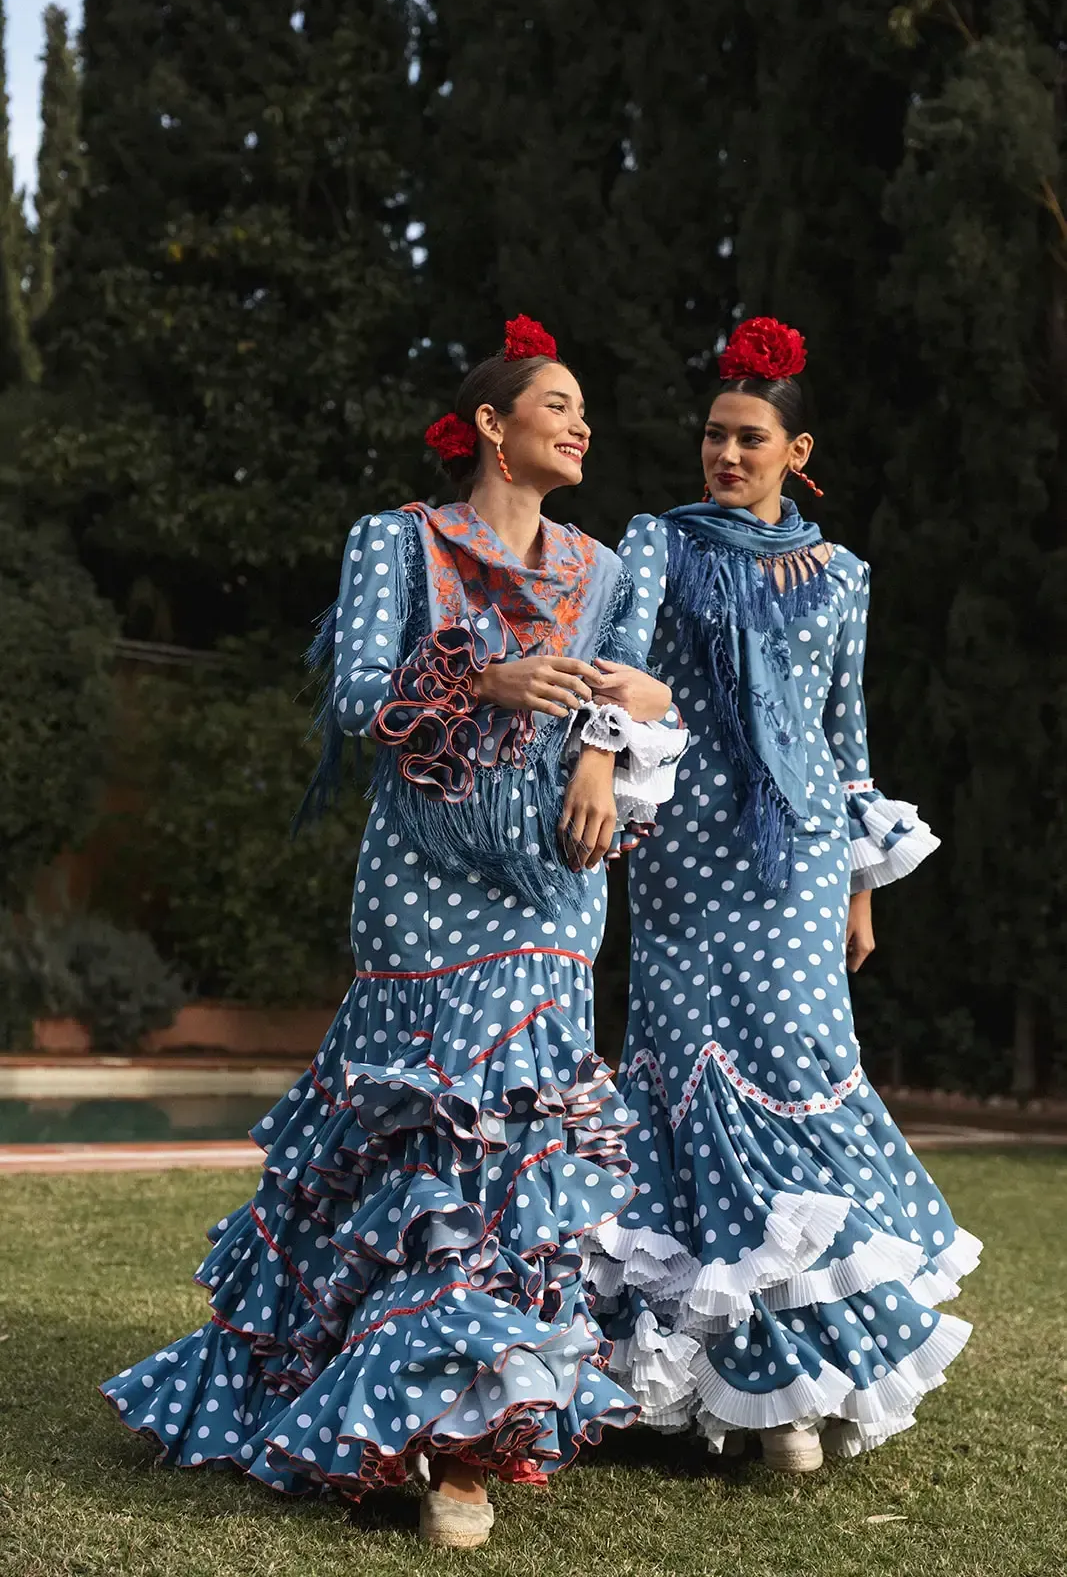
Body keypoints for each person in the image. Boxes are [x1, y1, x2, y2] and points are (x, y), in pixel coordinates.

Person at [99, 316, 686, 1548]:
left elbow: (634, 690)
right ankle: (364, 1401)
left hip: (557, 875)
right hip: (423, 874)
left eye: (583, 410)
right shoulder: (398, 541)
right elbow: (363, 695)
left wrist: (593, 748)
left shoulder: (606, 566)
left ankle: (466, 1437)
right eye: (557, 405)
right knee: (417, 1133)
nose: (581, 425)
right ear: (491, 424)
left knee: (510, 1147)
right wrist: (488, 678)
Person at [586, 317, 981, 1472]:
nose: (724, 454)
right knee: (681, 1068)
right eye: (712, 435)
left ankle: (798, 1373)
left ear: (793, 449)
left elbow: (842, 734)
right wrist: (604, 772)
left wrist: (861, 890)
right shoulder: (657, 542)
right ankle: (690, 1376)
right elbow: (618, 675)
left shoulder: (844, 575)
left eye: (748, 438)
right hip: (681, 845)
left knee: (795, 1066)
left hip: (799, 856)